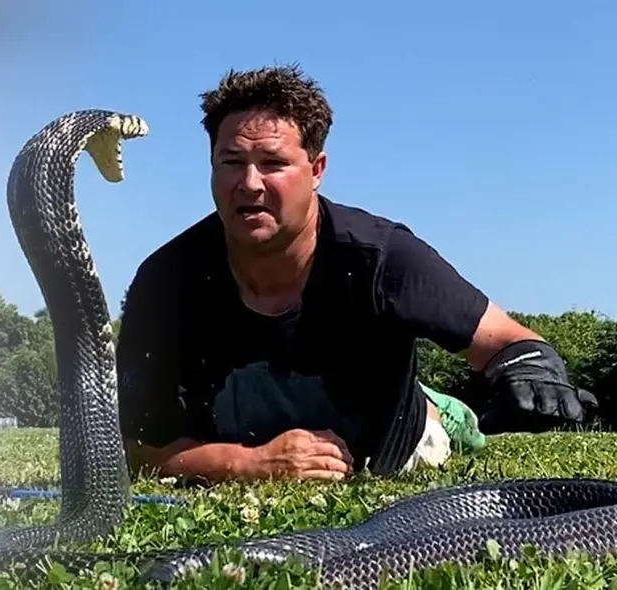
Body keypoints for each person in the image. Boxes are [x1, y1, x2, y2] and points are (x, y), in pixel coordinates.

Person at [115, 65, 598, 484]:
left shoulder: (382, 256)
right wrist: (248, 463)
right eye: (231, 162)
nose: (250, 184)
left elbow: (509, 342)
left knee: (447, 430)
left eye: (274, 163)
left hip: (402, 441)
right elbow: (130, 448)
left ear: (317, 169)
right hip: (242, 434)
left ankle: (440, 409)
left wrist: (532, 368)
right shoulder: (165, 281)